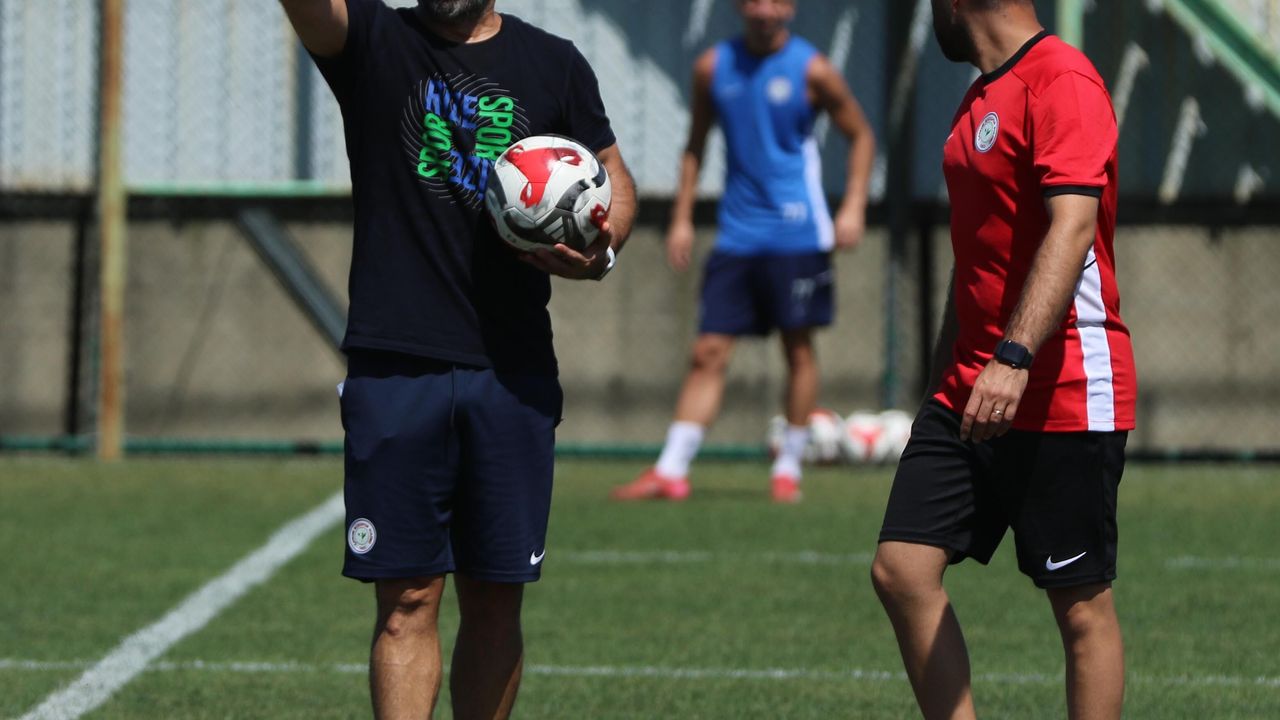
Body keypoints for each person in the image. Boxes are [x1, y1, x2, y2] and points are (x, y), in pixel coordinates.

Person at [279, 1, 636, 718]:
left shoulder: (555, 63)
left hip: (513, 373)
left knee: (496, 599)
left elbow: (614, 180)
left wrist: (601, 251)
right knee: (406, 601)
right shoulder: (375, 41)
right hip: (396, 367)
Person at [870, 1, 1136, 718]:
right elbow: (976, 255)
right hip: (968, 385)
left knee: (1079, 605)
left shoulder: (1063, 80)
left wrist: (1013, 358)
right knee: (901, 570)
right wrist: (941, 378)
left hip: (1064, 387)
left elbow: (1072, 227)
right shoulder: (980, 96)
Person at [610, 0, 875, 504]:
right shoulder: (713, 67)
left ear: (790, 7)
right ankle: (671, 470)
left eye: (774, 1)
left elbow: (860, 135)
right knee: (707, 351)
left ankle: (789, 467)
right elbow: (694, 146)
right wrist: (681, 218)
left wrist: (855, 205)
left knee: (798, 348)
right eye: (754, 0)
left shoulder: (813, 69)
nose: (763, 10)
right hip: (737, 235)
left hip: (798, 234)